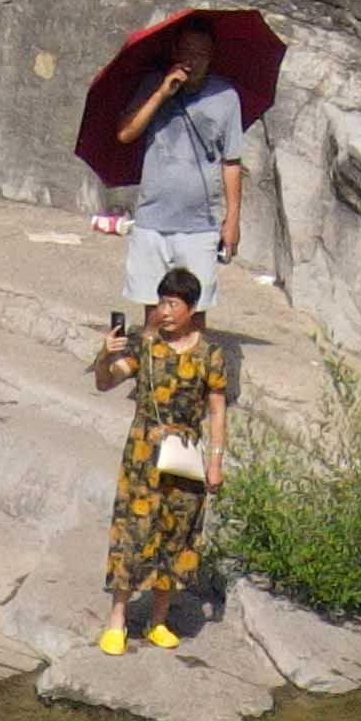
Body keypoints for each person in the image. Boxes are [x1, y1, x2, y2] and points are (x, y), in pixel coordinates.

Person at [87, 270, 228, 652]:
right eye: (161, 302)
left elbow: (217, 410)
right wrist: (105, 356)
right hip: (144, 453)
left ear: (191, 308)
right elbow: (106, 381)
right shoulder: (144, 347)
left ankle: (159, 620)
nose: (164, 311)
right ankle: (117, 619)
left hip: (184, 457)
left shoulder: (210, 355)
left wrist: (215, 461)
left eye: (173, 304)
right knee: (133, 531)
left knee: (177, 534)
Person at [120, 60, 269, 319]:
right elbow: (126, 133)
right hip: (152, 219)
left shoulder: (225, 96)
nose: (192, 60)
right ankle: (153, 359)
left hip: (200, 225)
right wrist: (161, 94)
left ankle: (192, 360)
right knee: (154, 312)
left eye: (200, 52)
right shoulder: (154, 84)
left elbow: (231, 162)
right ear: (176, 53)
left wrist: (232, 220)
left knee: (194, 312)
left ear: (211, 56)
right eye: (187, 51)